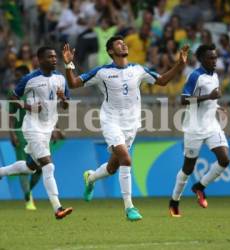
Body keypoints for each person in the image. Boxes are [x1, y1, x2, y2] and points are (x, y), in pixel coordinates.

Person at [62, 35, 189, 221]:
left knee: (113, 167)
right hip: (111, 121)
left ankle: (90, 178)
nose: (123, 44)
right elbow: (73, 84)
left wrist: (180, 64)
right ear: (111, 51)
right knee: (126, 159)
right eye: (118, 44)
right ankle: (129, 208)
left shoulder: (138, 70)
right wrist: (68, 65)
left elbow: (162, 81)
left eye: (123, 42)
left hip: (131, 125)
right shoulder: (102, 72)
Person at [0, 46, 73, 220]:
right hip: (32, 127)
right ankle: (57, 208)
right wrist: (28, 107)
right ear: (40, 60)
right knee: (48, 165)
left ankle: (1, 172)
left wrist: (63, 99)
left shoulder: (60, 78)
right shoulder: (30, 79)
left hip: (48, 128)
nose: (54, 59)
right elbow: (13, 97)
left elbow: (66, 105)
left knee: (30, 167)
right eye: (50, 57)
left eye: (55, 57)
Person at [168, 44, 230, 217]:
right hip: (194, 128)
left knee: (224, 159)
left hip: (212, 125)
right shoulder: (195, 76)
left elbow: (212, 100)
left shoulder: (215, 75)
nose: (214, 61)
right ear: (202, 59)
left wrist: (216, 106)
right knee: (188, 169)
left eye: (215, 57)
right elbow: (183, 99)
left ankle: (200, 186)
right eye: (211, 58)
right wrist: (208, 97)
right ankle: (174, 200)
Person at [8, 65, 42, 211]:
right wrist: (13, 133)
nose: (15, 78)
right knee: (24, 166)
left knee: (40, 167)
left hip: (36, 132)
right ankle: (29, 198)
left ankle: (29, 192)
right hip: (20, 132)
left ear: (24, 76)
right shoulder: (14, 94)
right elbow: (11, 116)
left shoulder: (37, 92)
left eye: (17, 75)